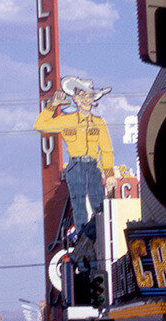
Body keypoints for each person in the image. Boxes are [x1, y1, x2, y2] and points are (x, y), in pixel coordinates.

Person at [33, 77, 114, 239]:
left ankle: (99, 236)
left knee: (98, 203)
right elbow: (39, 125)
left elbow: (106, 149)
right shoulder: (66, 120)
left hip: (92, 166)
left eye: (89, 96)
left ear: (94, 100)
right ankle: (83, 238)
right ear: (75, 98)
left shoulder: (99, 122)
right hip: (75, 166)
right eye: (81, 95)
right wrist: (53, 104)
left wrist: (110, 174)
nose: (85, 100)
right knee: (78, 205)